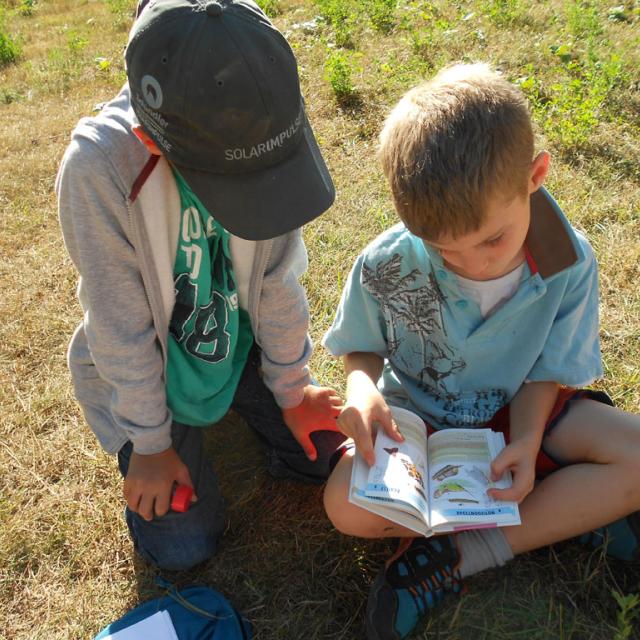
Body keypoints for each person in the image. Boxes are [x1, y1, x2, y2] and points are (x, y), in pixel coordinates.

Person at [321, 63, 640, 640]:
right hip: (420, 421)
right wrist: (362, 389)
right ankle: (562, 511)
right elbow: (361, 347)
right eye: (443, 250)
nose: (475, 263)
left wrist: (525, 439)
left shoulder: (570, 261)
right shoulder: (387, 259)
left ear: (535, 175)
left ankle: (463, 555)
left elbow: (546, 374)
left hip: (521, 408)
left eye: (492, 239)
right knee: (344, 505)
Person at [56, 0, 345, 572]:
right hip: (156, 366)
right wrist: (151, 445)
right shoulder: (99, 168)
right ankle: (171, 430)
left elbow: (276, 277)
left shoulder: (261, 120)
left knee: (331, 459)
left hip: (233, 341)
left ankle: (236, 395)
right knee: (185, 548)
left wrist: (292, 387)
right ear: (152, 139)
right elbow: (119, 326)